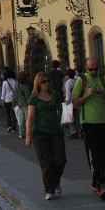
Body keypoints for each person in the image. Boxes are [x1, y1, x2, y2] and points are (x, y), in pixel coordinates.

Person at [72, 56, 105, 201]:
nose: (93, 72)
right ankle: (100, 184)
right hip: (88, 122)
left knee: (103, 154)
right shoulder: (81, 81)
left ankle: (96, 182)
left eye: (95, 69)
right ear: (86, 68)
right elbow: (75, 103)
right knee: (94, 155)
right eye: (90, 69)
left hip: (104, 121)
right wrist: (87, 95)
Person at [25, 71, 66, 201]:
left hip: (56, 132)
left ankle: (55, 181)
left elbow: (60, 109)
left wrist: (57, 117)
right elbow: (30, 117)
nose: (46, 84)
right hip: (40, 133)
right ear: (38, 83)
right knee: (46, 162)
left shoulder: (55, 95)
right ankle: (49, 190)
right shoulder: (34, 98)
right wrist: (28, 136)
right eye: (44, 81)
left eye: (48, 81)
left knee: (60, 160)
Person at [63, 68, 80, 138]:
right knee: (76, 117)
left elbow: (68, 93)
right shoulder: (77, 80)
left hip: (70, 101)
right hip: (77, 100)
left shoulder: (68, 82)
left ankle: (73, 131)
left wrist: (67, 101)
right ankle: (79, 130)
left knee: (70, 117)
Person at [14, 69, 31, 139]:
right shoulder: (25, 86)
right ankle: (28, 133)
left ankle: (21, 133)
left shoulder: (17, 84)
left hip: (19, 103)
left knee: (21, 119)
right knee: (27, 119)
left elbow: (15, 94)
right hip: (25, 104)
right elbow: (28, 96)